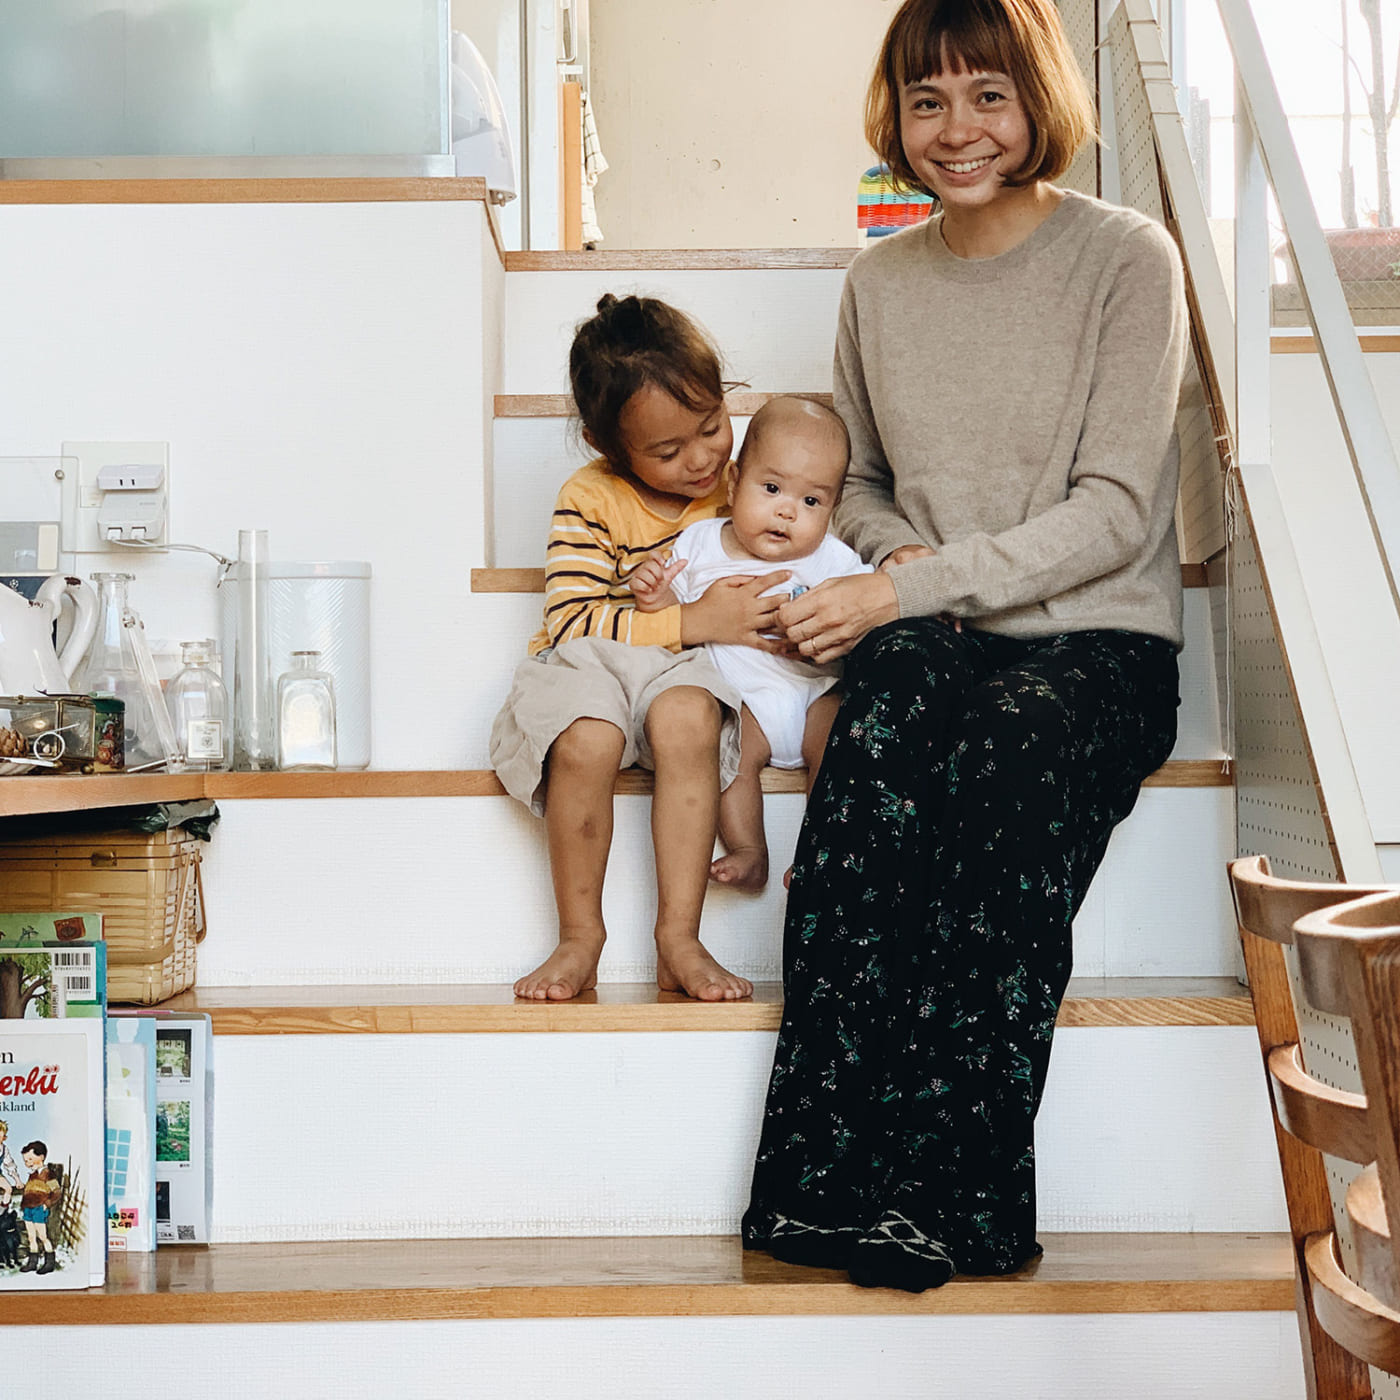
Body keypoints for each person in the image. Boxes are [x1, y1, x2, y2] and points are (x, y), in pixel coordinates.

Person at [742, 0, 1187, 1293]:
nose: (958, 130)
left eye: (988, 95)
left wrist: (908, 588)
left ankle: (954, 1198)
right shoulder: (879, 285)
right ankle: (816, 1188)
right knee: (873, 755)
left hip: (1096, 644)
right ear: (897, 114)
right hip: (933, 627)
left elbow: (1113, 513)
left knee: (1002, 764)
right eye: (927, 100)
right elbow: (863, 483)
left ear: (1039, 99)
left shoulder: (1129, 261)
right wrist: (901, 580)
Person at [491, 294, 791, 1003]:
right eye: (667, 449)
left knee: (690, 720)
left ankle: (679, 937)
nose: (701, 459)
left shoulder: (738, 486)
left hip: (681, 667)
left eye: (712, 426)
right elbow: (572, 620)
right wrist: (693, 621)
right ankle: (579, 935)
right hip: (590, 658)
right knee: (587, 739)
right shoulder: (588, 498)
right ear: (608, 446)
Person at [630, 395, 872, 891]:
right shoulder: (700, 544)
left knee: (842, 738)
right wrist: (655, 594)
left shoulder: (837, 561)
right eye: (772, 487)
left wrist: (827, 635)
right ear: (735, 481)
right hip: (743, 705)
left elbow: (863, 623)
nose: (787, 511)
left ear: (833, 507)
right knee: (727, 753)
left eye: (811, 501)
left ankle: (818, 851)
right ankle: (750, 849)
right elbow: (672, 619)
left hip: (813, 695)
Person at [18, 1140, 60, 1275]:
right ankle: (32, 1262)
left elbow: (57, 1192)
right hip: (28, 1208)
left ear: (41, 1157)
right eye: (25, 1160)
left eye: (30, 1159)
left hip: (38, 1208)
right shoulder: (32, 1175)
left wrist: (46, 1203)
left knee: (42, 1236)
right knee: (31, 1236)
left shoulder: (48, 1174)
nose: (27, 1162)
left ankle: (49, 1262)